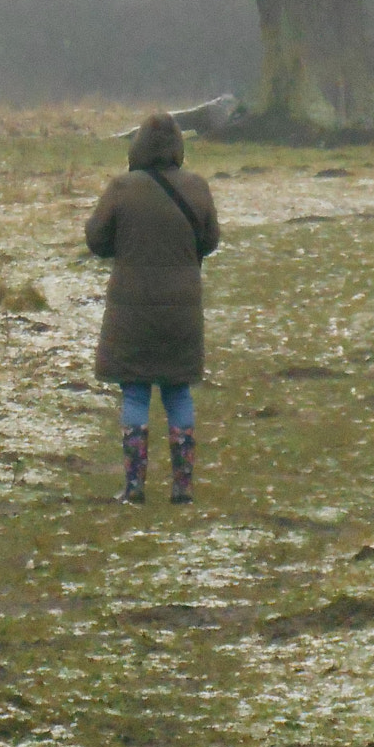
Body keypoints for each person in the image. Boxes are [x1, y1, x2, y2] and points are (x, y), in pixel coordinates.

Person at [84, 112, 220, 505]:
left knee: (136, 394)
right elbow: (209, 241)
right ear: (178, 148)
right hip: (182, 311)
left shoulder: (122, 189)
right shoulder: (197, 188)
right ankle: (183, 485)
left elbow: (97, 239)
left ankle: (134, 485)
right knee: (178, 393)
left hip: (132, 310)